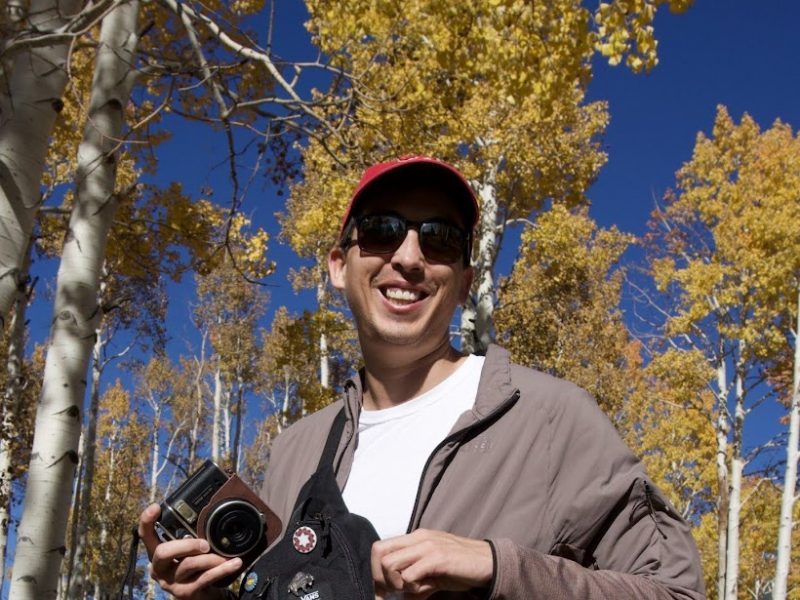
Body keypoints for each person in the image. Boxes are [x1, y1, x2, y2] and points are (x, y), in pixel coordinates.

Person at [139, 156, 706, 600]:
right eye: (382, 230)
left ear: (463, 282)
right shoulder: (299, 448)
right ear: (340, 265)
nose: (409, 257)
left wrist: (494, 567)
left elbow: (677, 592)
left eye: (439, 239)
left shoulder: (551, 418)